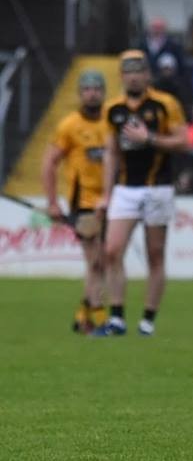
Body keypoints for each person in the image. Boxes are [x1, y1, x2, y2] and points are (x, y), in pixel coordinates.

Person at [94, 50, 188, 337]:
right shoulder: (113, 109)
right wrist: (105, 194)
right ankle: (117, 318)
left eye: (139, 71)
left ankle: (147, 320)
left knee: (155, 255)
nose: (134, 77)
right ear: (121, 76)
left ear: (147, 75)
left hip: (158, 188)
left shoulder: (165, 104)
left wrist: (149, 138)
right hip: (125, 189)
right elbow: (111, 152)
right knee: (112, 251)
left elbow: (183, 141)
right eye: (128, 72)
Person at [41, 69, 108, 334]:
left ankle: (83, 315)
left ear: (104, 92)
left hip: (111, 201)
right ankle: (99, 316)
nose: (92, 94)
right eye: (87, 89)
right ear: (80, 93)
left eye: (97, 89)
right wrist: (52, 202)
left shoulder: (111, 123)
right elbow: (49, 163)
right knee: (96, 261)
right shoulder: (69, 125)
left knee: (102, 261)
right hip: (84, 203)